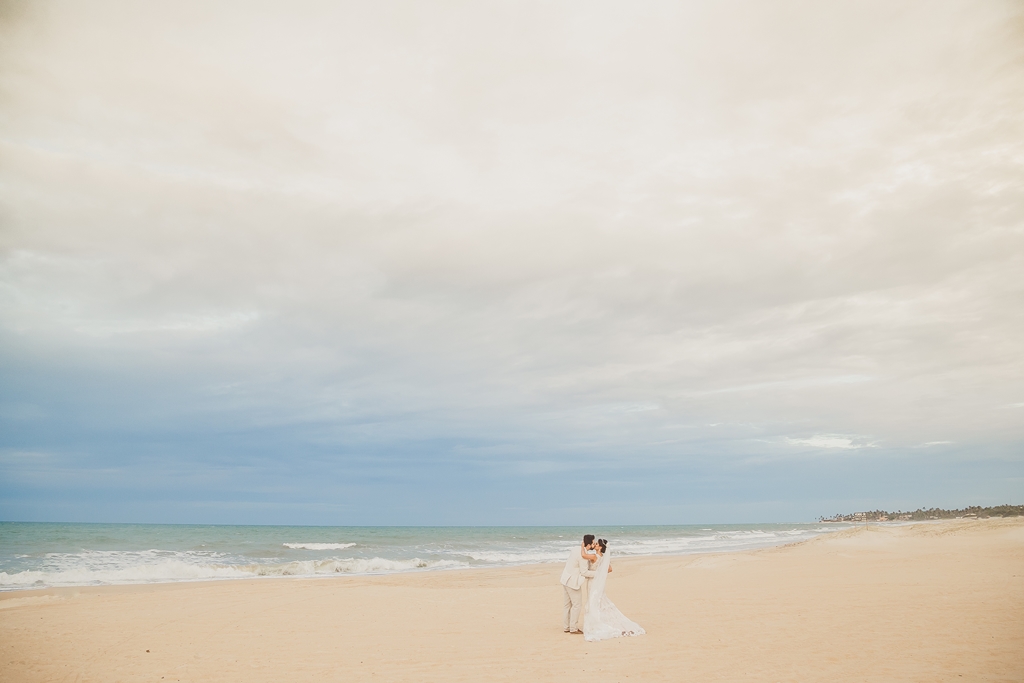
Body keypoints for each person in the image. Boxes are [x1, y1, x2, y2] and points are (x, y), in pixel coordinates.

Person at [582, 539, 645, 641]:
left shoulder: (594, 556)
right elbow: (610, 569)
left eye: (597, 544)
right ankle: (598, 621)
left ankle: (595, 623)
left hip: (593, 583)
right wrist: (600, 573)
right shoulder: (602, 558)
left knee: (592, 602)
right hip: (599, 584)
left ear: (601, 547)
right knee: (599, 602)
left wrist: (582, 546)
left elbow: (583, 555)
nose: (595, 545)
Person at [560, 534, 597, 634]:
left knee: (567, 605)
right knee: (577, 605)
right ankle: (573, 628)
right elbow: (584, 572)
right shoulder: (583, 556)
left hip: (565, 579)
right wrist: (598, 574)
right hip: (572, 582)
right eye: (593, 543)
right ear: (589, 544)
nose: (594, 545)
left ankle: (566, 627)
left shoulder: (576, 549)